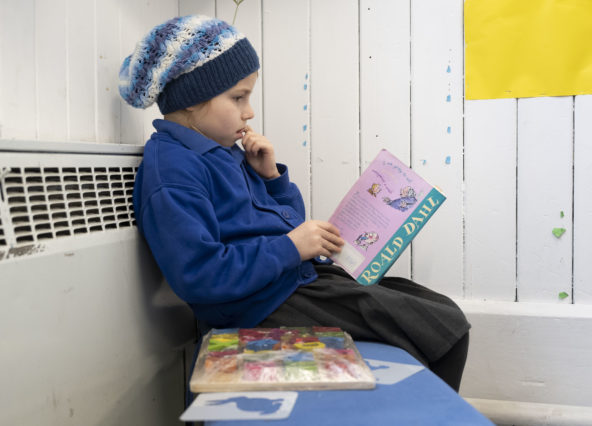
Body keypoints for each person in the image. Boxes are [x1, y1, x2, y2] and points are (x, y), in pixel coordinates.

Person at [120, 15, 470, 391]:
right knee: (444, 330)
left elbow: (284, 224)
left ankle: (411, 407)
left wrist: (271, 178)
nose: (249, 111)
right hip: (262, 302)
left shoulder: (221, 150)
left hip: (291, 279)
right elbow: (200, 276)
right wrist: (292, 247)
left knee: (437, 308)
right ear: (191, 100)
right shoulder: (173, 170)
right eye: (238, 97)